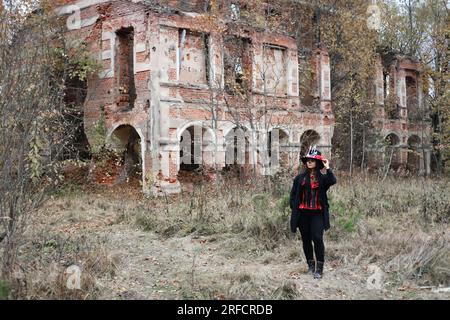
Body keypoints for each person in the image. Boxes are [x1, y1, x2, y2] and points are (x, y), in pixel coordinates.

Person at [290, 146, 337, 279]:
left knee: (317, 238)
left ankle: (319, 269)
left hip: (317, 214)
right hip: (303, 214)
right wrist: (295, 209)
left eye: (312, 160)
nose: (309, 162)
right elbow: (293, 196)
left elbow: (332, 180)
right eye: (308, 160)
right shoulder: (299, 178)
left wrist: (327, 167)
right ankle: (310, 265)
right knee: (306, 240)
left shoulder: (322, 178)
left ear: (317, 163)